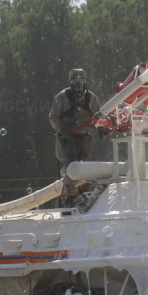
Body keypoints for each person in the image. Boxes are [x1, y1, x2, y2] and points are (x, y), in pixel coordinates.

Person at [48, 68, 101, 206]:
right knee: (71, 171)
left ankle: (85, 200)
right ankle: (69, 202)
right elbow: (53, 117)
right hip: (67, 140)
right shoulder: (61, 97)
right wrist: (63, 129)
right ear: (71, 82)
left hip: (85, 139)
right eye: (75, 81)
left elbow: (100, 116)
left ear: (85, 82)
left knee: (86, 173)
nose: (79, 84)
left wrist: (102, 128)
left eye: (81, 81)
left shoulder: (92, 98)